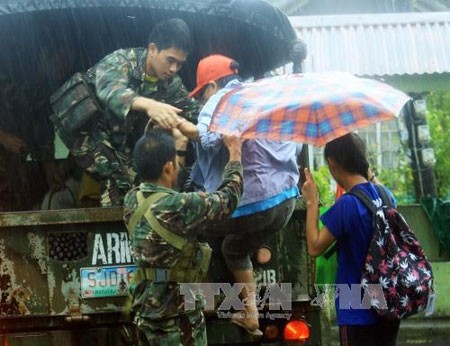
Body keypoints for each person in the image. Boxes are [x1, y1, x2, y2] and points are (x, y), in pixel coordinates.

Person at [182, 54, 301, 336]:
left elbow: (211, 139)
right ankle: (251, 314)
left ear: (212, 85)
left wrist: (184, 128)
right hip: (286, 201)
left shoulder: (221, 100)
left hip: (253, 203)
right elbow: (294, 148)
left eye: (202, 94)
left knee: (194, 219)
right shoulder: (265, 95)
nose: (201, 101)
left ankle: (207, 298)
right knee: (233, 248)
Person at [52, 18, 200, 207]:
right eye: (170, 60)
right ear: (153, 49)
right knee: (118, 179)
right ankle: (114, 229)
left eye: (179, 64)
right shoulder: (122, 61)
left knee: (140, 181)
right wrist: (149, 105)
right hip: (85, 130)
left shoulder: (172, 84)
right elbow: (110, 90)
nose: (173, 69)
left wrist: (205, 128)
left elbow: (194, 110)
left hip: (118, 141)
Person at [123, 128, 243, 346]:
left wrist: (178, 146)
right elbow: (227, 200)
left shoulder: (132, 200)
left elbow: (165, 191)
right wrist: (235, 154)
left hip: (146, 310)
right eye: (175, 164)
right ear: (168, 168)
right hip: (177, 317)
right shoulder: (178, 206)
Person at [301, 132, 400, 346]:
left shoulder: (347, 205)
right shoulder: (386, 195)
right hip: (387, 300)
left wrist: (312, 202)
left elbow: (315, 247)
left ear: (332, 163)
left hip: (355, 306)